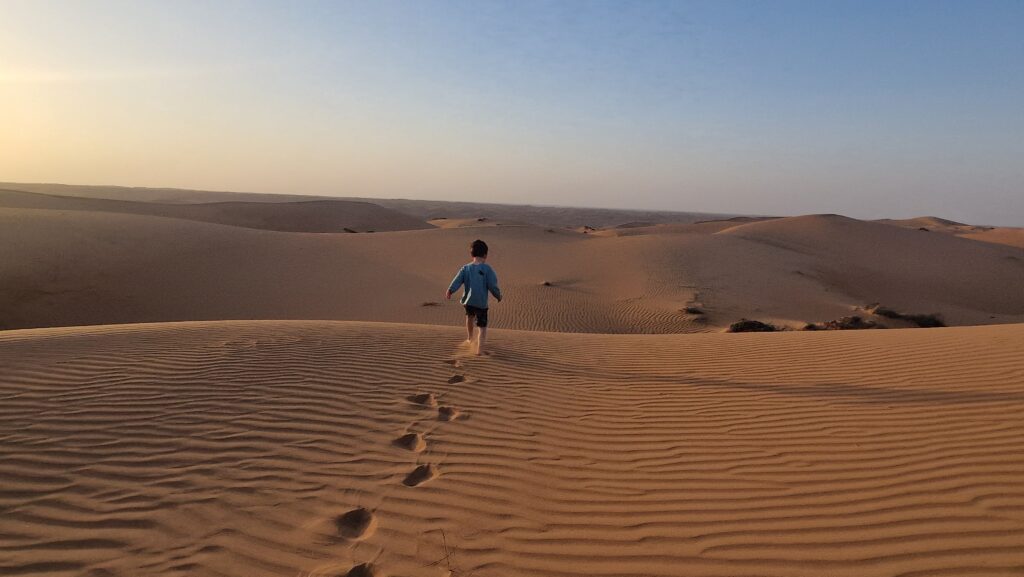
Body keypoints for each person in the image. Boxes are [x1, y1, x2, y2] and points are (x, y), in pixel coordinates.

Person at [446, 239, 502, 355]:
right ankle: (480, 349)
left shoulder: (466, 268)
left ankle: (470, 338)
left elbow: (457, 280)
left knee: (469, 317)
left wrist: (450, 290)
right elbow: (492, 285)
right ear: (485, 255)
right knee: (482, 326)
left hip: (468, 301)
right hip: (481, 303)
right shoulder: (487, 269)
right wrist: (498, 295)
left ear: (471, 254)